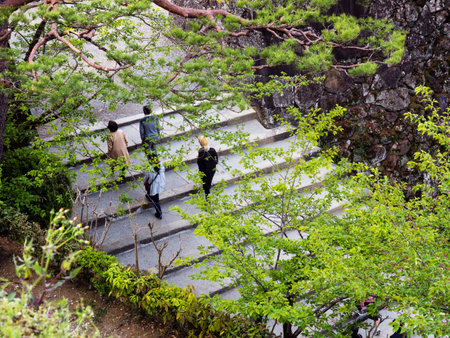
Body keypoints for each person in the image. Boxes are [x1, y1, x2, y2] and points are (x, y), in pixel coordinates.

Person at [143, 154, 165, 220]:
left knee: (156, 199)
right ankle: (148, 196)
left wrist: (144, 181)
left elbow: (147, 178)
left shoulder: (150, 169)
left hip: (154, 185)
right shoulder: (161, 165)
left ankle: (159, 213)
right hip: (160, 183)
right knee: (154, 193)